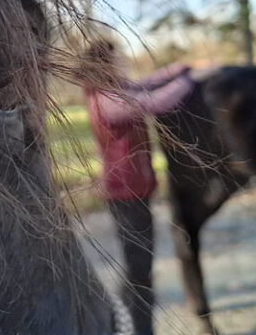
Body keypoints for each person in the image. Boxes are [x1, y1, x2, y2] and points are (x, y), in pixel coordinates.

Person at [82, 39, 194, 335]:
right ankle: (140, 329)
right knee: (140, 269)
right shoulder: (109, 101)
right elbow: (153, 102)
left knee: (136, 264)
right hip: (126, 195)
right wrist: (188, 81)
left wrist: (176, 70)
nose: (124, 63)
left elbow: (145, 85)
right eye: (118, 60)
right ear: (104, 66)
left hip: (130, 192)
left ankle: (119, 317)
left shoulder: (112, 91)